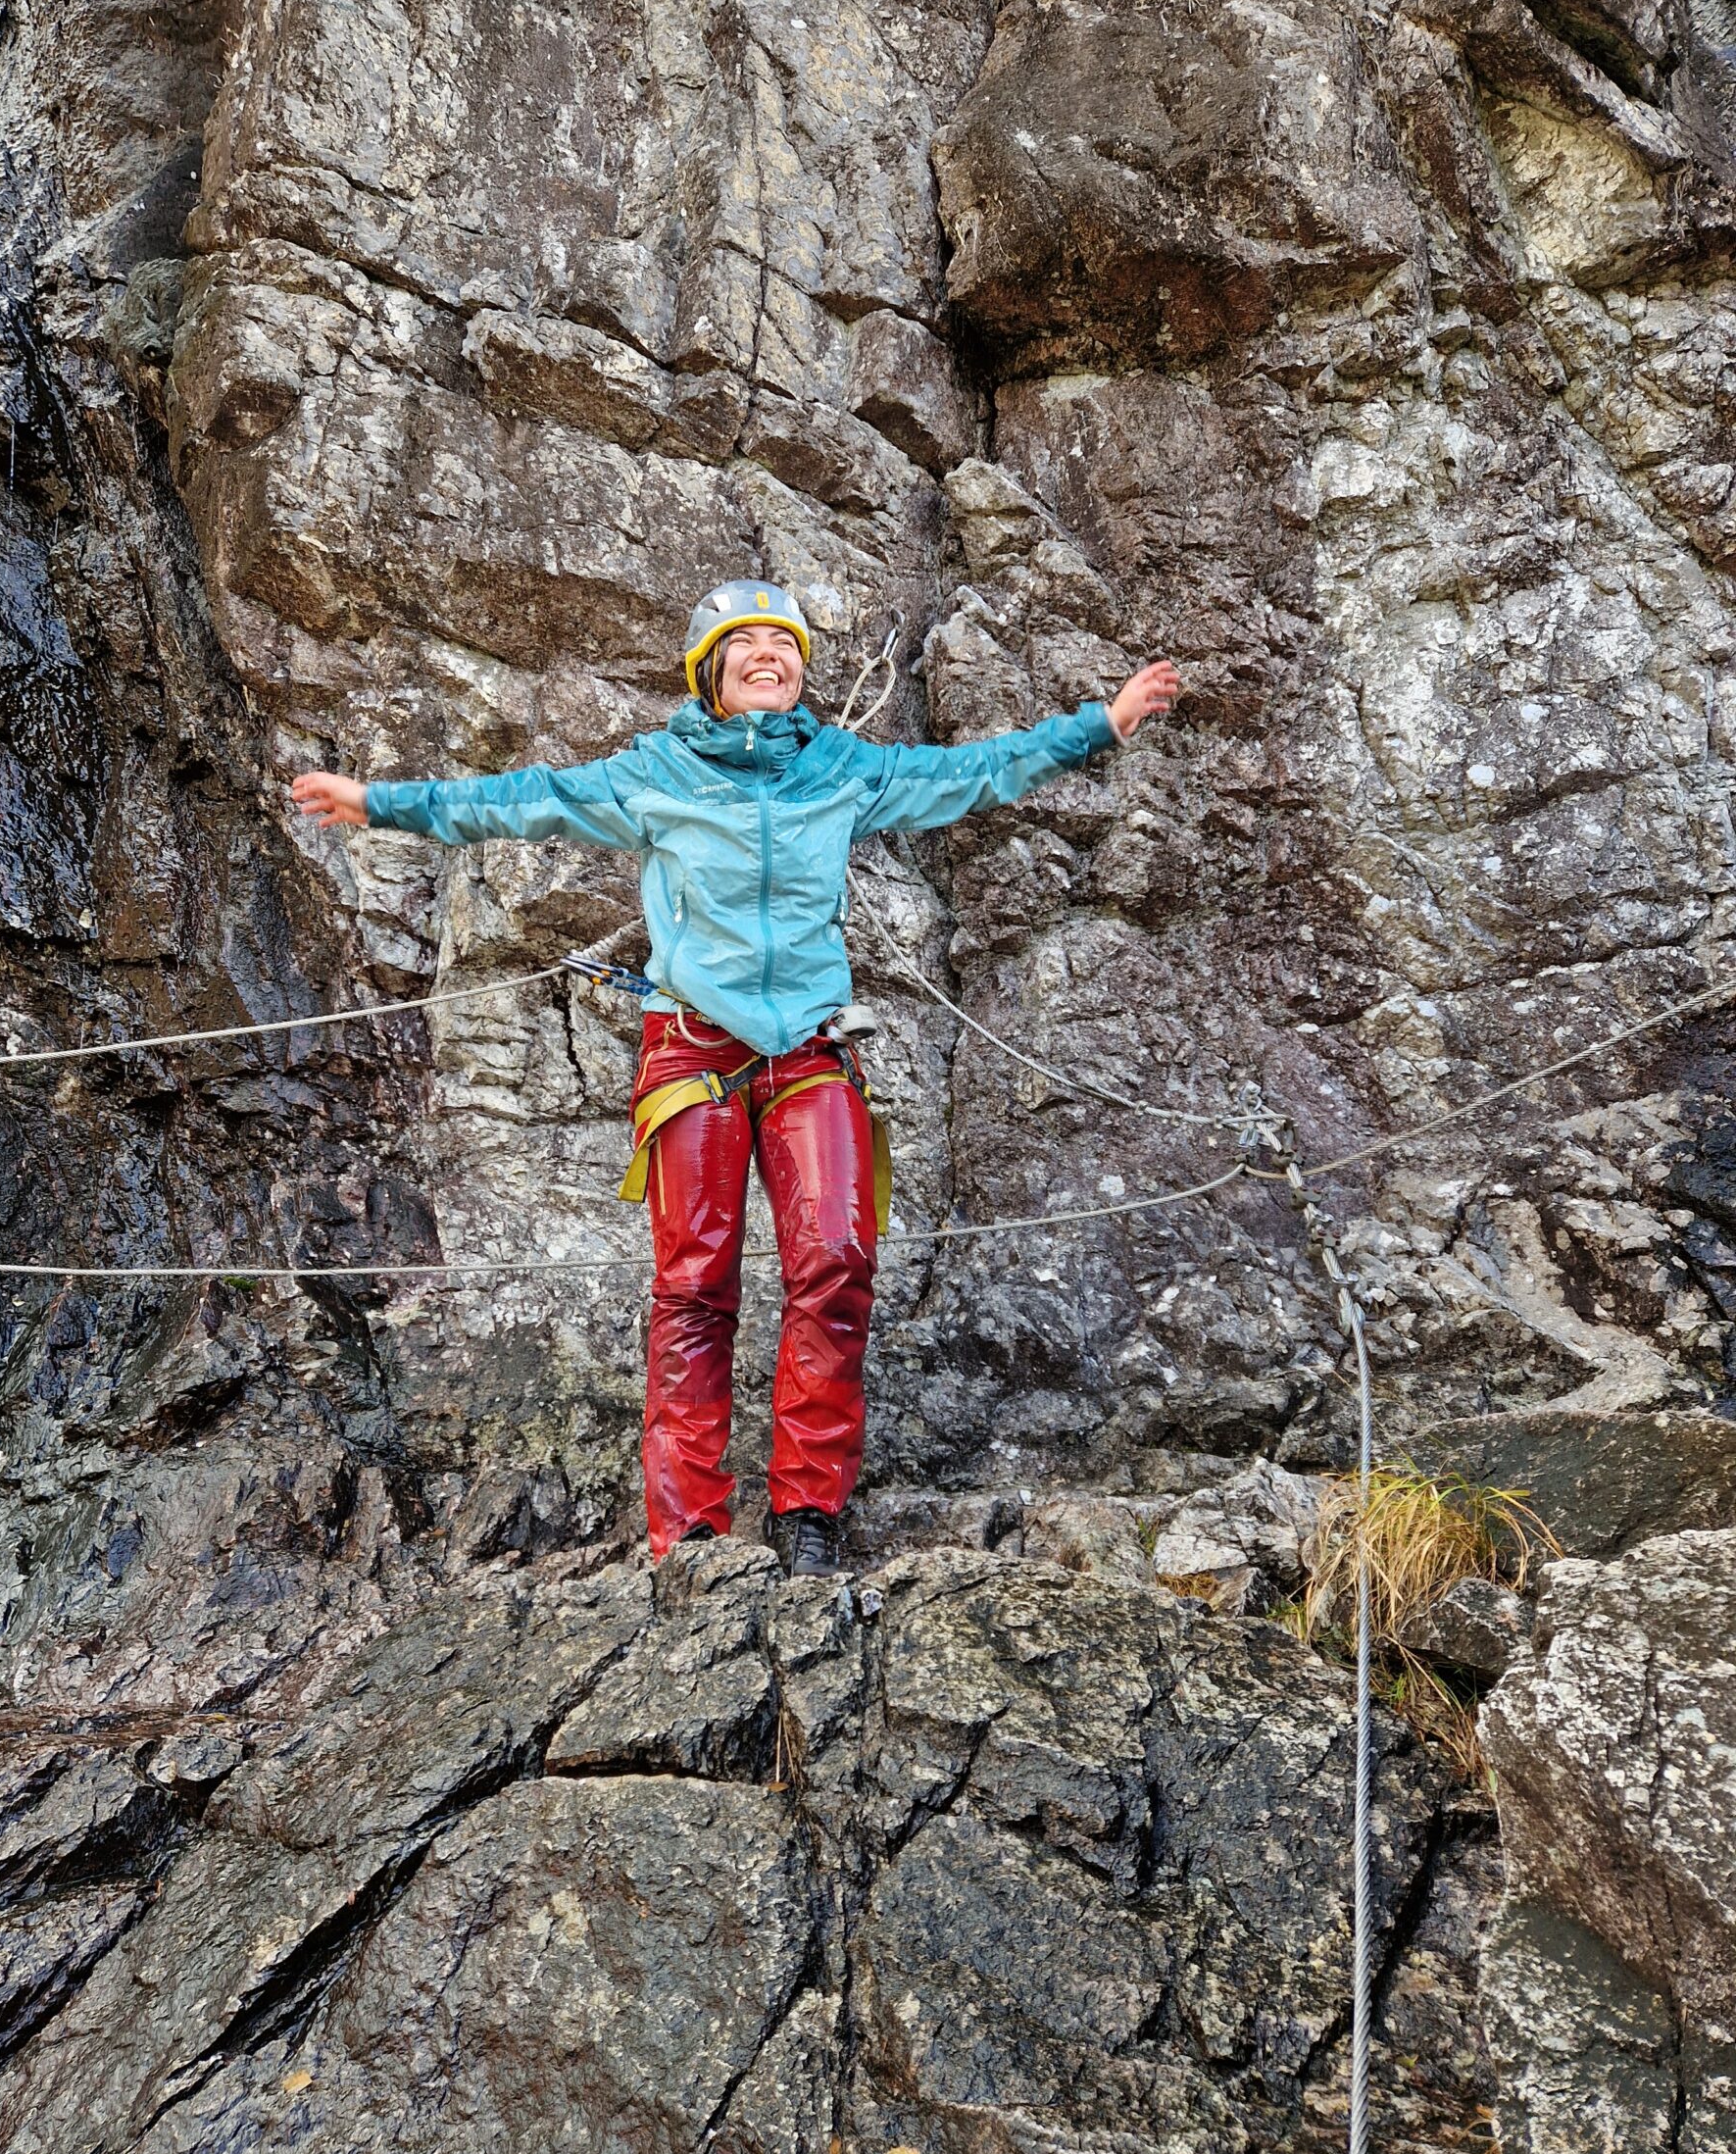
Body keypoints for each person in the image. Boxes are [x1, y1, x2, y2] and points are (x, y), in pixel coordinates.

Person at [291, 581, 1179, 1578]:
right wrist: (377, 804)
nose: (767, 653)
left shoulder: (840, 768)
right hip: (692, 1053)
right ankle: (690, 1537)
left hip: (809, 1051)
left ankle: (808, 1515)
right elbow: (516, 800)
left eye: (783, 641)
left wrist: (1098, 726)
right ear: (708, 671)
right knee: (695, 1284)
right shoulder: (654, 773)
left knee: (837, 1261)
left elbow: (973, 771)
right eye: (744, 641)